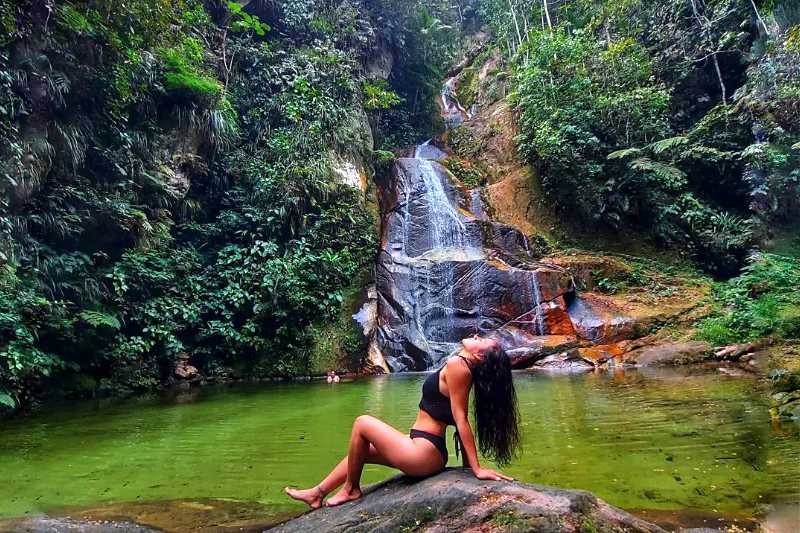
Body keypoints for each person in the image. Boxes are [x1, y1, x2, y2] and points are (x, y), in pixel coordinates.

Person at [284, 334, 521, 508]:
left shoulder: (458, 367)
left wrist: (476, 469)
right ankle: (317, 493)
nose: (477, 336)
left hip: (424, 454)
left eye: (482, 340)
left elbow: (461, 419)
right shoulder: (460, 365)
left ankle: (351, 490)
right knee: (361, 450)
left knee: (362, 422)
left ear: (479, 355)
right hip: (422, 447)